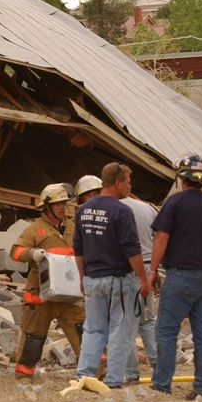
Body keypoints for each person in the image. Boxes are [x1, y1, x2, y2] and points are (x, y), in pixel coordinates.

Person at [149, 154, 202, 400]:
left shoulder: (174, 204)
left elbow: (161, 239)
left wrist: (152, 271)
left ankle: (162, 386)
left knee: (166, 330)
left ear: (181, 178)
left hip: (180, 275)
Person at [73, 163, 150, 388]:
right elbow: (132, 250)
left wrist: (82, 277)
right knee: (120, 331)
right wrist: (143, 279)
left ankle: (84, 377)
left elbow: (78, 249)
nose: (130, 185)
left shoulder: (83, 211)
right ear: (117, 182)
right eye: (127, 181)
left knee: (93, 329)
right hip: (119, 280)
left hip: (93, 279)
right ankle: (114, 381)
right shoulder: (121, 211)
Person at [10, 183, 86, 379]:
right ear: (47, 206)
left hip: (69, 295)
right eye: (59, 203)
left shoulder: (72, 227)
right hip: (40, 297)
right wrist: (32, 253)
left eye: (65, 203)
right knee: (34, 339)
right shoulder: (35, 230)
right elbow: (15, 252)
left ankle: (95, 372)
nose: (64, 207)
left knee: (83, 334)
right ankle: (24, 376)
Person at [121, 192, 158, 381]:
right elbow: (158, 237)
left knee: (126, 323)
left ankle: (131, 373)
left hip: (128, 267)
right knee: (147, 321)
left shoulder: (115, 209)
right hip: (148, 266)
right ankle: (159, 367)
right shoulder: (147, 207)